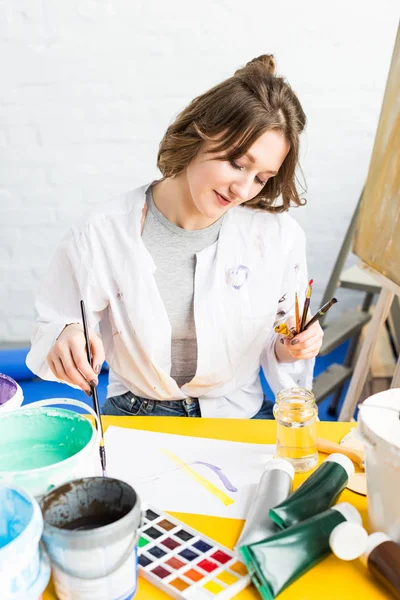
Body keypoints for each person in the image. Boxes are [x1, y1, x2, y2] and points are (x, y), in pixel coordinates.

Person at [26, 54, 323, 420]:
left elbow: (280, 344)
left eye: (262, 178)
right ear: (201, 132)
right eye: (237, 163)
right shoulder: (103, 233)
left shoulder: (277, 239)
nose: (243, 188)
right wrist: (65, 335)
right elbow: (54, 322)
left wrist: (294, 345)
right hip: (135, 415)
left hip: (240, 415)